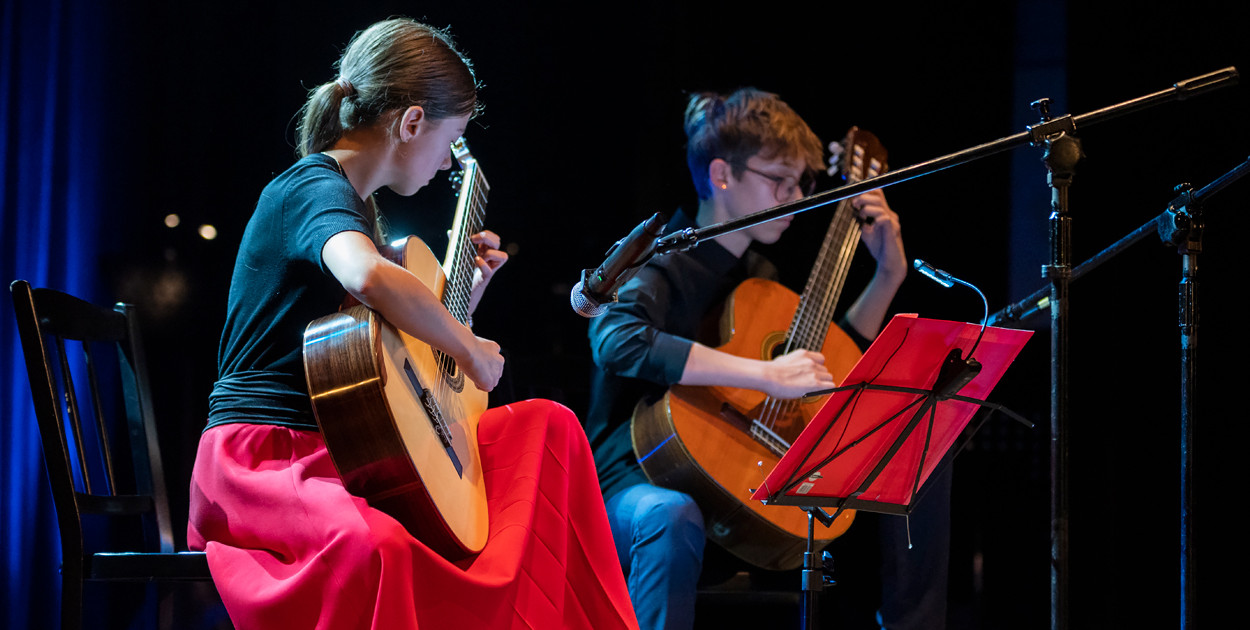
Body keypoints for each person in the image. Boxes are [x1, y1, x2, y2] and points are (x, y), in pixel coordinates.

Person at [187, 18, 638, 630]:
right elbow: (366, 276)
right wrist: (471, 348)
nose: (442, 163)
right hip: (266, 458)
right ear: (412, 123)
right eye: (450, 139)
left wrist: (463, 303)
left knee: (547, 429)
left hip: (339, 450)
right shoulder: (314, 189)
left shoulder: (358, 209)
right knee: (383, 549)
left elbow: (380, 370)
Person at [584, 87, 949, 630]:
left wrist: (888, 275)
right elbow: (617, 339)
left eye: (801, 182)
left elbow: (826, 360)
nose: (794, 196)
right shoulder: (662, 260)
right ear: (722, 175)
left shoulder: (760, 278)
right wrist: (764, 373)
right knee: (670, 514)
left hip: (732, 491)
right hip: (634, 485)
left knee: (917, 453)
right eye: (778, 180)